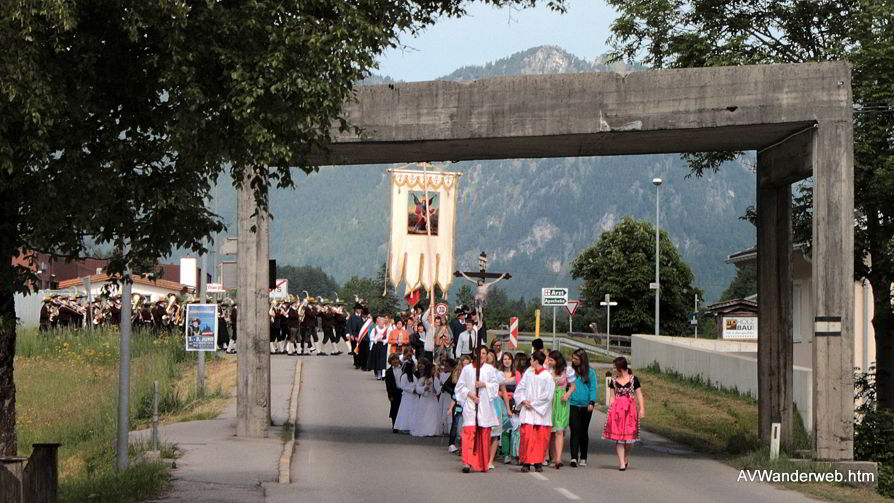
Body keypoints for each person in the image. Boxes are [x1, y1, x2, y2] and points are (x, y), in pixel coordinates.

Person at [455, 346, 501, 473]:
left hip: (484, 406)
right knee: (469, 433)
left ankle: (481, 462)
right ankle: (467, 462)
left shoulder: (490, 369)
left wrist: (484, 384)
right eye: (479, 353)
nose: (481, 355)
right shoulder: (467, 369)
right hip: (470, 405)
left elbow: (495, 386)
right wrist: (470, 394)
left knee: (483, 435)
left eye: (484, 353)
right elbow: (460, 387)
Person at [515, 350, 555, 473]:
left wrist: (533, 404)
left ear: (536, 361)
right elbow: (520, 388)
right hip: (528, 411)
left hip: (539, 413)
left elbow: (548, 395)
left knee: (540, 439)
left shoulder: (547, 376)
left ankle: (538, 462)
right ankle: (526, 462)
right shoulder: (528, 373)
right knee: (527, 437)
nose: (530, 361)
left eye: (532, 359)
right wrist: (523, 400)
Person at [603, 356, 645, 471]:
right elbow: (612, 397)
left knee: (630, 439)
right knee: (619, 439)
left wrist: (641, 409)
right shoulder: (613, 381)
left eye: (614, 367)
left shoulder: (634, 379)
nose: (613, 369)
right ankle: (621, 463)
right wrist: (611, 409)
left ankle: (626, 457)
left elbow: (639, 394)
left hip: (630, 411)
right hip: (617, 411)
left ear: (620, 367)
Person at [569, 349, 599, 467]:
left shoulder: (590, 373)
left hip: (586, 405)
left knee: (583, 431)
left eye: (576, 359)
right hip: (573, 404)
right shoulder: (570, 371)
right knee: (574, 429)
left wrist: (592, 402)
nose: (573, 361)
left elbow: (593, 388)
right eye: (573, 358)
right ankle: (574, 457)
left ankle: (583, 456)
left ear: (582, 359)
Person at [547, 350, 576, 469]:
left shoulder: (566, 370)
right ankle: (552, 457)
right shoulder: (546, 370)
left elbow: (573, 386)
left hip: (561, 401)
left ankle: (558, 458)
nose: (549, 362)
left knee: (559, 430)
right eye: (549, 360)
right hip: (549, 401)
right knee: (550, 431)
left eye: (551, 360)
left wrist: (567, 394)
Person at [411, 358, 443, 437]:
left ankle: (432, 430)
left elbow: (438, 388)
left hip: (432, 398)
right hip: (425, 399)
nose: (434, 371)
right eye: (433, 370)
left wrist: (436, 391)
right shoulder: (423, 378)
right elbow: (418, 388)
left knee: (432, 414)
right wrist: (424, 388)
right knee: (424, 414)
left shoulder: (435, 379)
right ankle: (425, 429)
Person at [445, 355, 470, 454]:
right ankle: (451, 443)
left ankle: (463, 446)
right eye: (464, 364)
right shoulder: (456, 373)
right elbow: (446, 385)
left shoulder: (472, 373)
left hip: (467, 401)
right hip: (457, 400)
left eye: (468, 364)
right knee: (456, 422)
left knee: (465, 424)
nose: (466, 366)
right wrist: (454, 393)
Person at [496, 351, 515, 464]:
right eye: (504, 359)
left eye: (508, 359)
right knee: (505, 428)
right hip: (502, 402)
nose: (506, 361)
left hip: (514, 402)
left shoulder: (516, 374)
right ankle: (506, 453)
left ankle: (515, 452)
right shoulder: (499, 374)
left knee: (515, 429)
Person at [394, 359, 418, 433]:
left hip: (414, 397)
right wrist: (411, 390)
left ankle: (412, 426)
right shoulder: (404, 376)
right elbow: (403, 386)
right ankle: (405, 426)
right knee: (406, 411)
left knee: (413, 411)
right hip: (407, 396)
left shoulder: (413, 376)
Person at [384, 354, 403, 432]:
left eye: (397, 359)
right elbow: (388, 385)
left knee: (402, 408)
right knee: (395, 408)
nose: (395, 361)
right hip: (395, 392)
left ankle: (402, 424)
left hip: (403, 391)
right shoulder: (389, 371)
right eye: (393, 360)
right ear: (390, 362)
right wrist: (390, 395)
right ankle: (395, 425)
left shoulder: (402, 369)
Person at [369, 314, 390, 379]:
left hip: (384, 346)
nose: (381, 323)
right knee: (377, 360)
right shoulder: (374, 329)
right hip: (376, 346)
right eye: (380, 322)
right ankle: (378, 374)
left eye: (382, 322)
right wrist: (376, 339)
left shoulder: (386, 330)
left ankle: (383, 374)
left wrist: (383, 341)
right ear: (378, 323)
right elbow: (371, 338)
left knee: (383, 359)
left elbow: (388, 339)